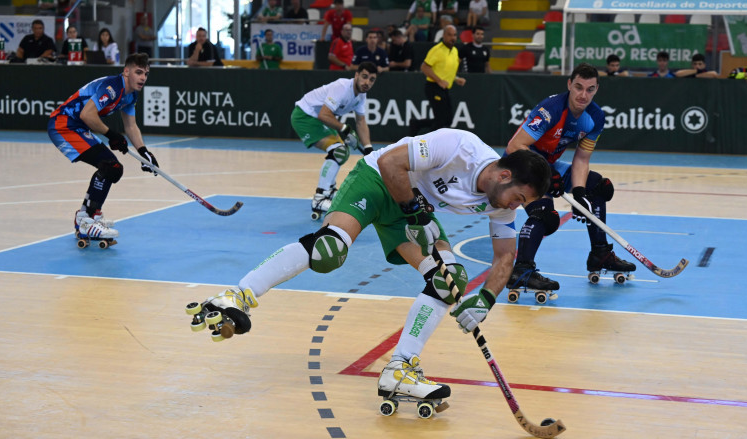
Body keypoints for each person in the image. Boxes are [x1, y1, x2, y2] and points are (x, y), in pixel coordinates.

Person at [194, 130, 551, 406]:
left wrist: (485, 299)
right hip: (380, 181)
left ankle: (400, 369)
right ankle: (236, 296)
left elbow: (505, 256)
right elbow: (390, 163)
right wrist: (413, 211)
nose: (515, 207)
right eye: (519, 198)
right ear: (504, 175)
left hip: (412, 209)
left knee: (449, 281)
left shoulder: (501, 206)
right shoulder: (460, 147)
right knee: (328, 250)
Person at [504, 62, 636, 294]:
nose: (583, 95)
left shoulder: (595, 117)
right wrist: (548, 173)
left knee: (598, 187)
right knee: (544, 214)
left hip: (550, 165)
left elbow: (582, 159)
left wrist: (579, 192)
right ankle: (521, 271)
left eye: (590, 89)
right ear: (569, 85)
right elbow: (516, 146)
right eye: (578, 87)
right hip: (520, 165)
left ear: (596, 89)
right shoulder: (551, 109)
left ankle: (600, 253)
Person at [46, 53, 159, 243]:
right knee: (110, 166)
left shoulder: (131, 94)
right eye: (138, 72)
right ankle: (88, 219)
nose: (142, 78)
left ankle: (87, 215)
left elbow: (131, 126)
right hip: (63, 126)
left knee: (113, 169)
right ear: (126, 71)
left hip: (77, 127)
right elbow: (87, 115)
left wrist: (144, 152)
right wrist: (112, 136)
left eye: (146, 74)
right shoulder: (113, 87)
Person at [290, 62, 377, 217]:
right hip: (305, 116)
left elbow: (360, 121)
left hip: (319, 119)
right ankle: (320, 197)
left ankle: (329, 191)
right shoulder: (342, 87)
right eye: (364, 77)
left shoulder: (361, 95)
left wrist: (368, 148)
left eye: (371, 80)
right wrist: (345, 129)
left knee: (342, 152)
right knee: (339, 151)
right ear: (356, 75)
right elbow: (323, 114)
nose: (367, 82)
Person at [409, 25, 466, 136]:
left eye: (454, 35)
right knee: (440, 120)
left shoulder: (454, 51)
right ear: (444, 35)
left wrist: (456, 79)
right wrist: (439, 81)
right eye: (449, 35)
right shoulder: (437, 50)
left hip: (444, 89)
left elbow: (445, 70)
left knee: (448, 119)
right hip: (433, 86)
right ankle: (429, 144)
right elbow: (424, 67)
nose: (452, 37)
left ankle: (417, 124)